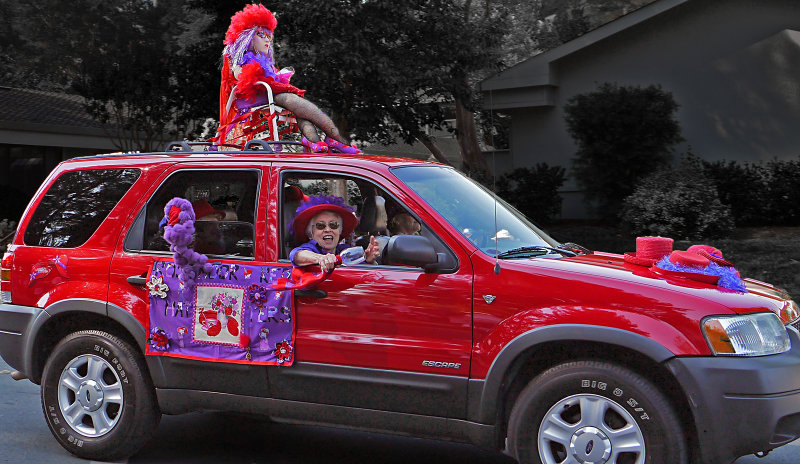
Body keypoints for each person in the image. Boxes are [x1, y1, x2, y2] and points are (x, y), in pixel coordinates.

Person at [218, 4, 361, 154]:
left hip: (269, 95)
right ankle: (336, 139)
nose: (267, 40)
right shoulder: (238, 62)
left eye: (269, 36)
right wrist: (285, 87)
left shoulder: (265, 63)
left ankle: (315, 140)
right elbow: (252, 82)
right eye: (261, 35)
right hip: (253, 97)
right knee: (292, 99)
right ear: (248, 37)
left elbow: (270, 83)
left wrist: (281, 83)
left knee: (296, 105)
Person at [289, 195, 380, 272]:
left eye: (333, 225)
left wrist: (369, 261)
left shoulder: (344, 251)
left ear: (339, 231)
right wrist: (321, 258)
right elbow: (296, 255)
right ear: (310, 233)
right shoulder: (311, 248)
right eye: (320, 225)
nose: (328, 229)